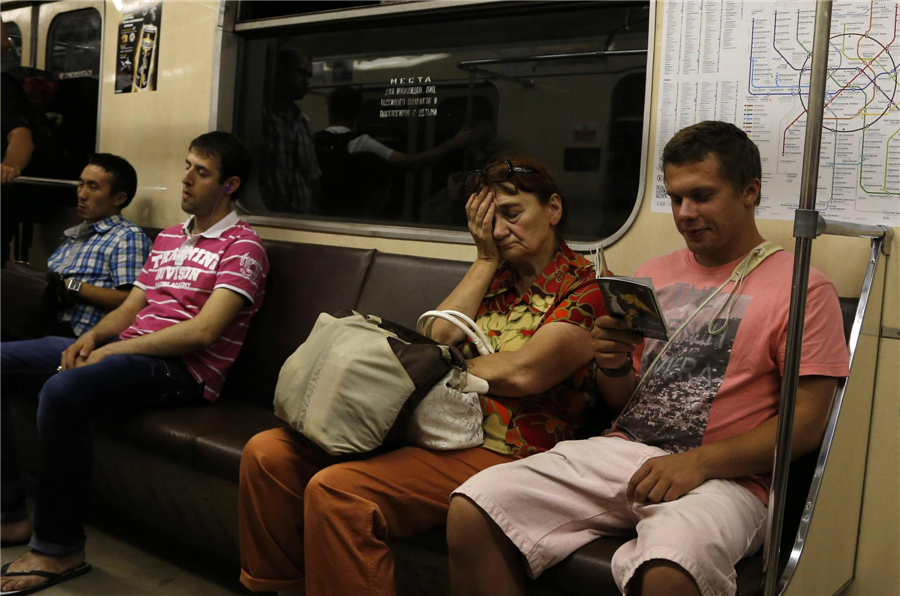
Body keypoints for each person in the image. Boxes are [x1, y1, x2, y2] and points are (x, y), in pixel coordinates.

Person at [446, 121, 850, 596]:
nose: (685, 213)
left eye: (701, 196)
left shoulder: (802, 288)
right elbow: (624, 399)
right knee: (475, 507)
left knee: (670, 568)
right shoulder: (651, 275)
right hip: (627, 448)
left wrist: (699, 463)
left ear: (749, 191)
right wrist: (613, 365)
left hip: (728, 476)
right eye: (676, 198)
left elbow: (806, 423)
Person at [239, 153, 609, 596]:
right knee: (267, 454)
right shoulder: (496, 275)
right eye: (489, 220)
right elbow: (437, 332)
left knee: (340, 491)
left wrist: (433, 369)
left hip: (507, 445)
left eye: (512, 214)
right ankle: (279, 587)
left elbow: (524, 372)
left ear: (552, 209)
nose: (501, 229)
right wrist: (485, 260)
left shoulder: (588, 288)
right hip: (433, 425)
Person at [0, 131, 269, 594]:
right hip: (132, 348)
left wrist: (113, 350)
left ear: (230, 185)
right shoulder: (167, 238)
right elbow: (130, 309)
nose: (185, 179)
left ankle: (59, 548)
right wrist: (91, 340)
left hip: (183, 369)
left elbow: (204, 331)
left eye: (200, 172)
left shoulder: (243, 249)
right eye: (187, 165)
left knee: (61, 393)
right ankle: (8, 514)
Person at [314, 86, 473, 218]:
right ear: (357, 113)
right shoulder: (360, 142)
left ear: (330, 111)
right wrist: (452, 144)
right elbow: (412, 162)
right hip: (350, 214)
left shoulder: (313, 141)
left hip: (318, 214)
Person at [44, 153, 150, 338]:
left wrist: (74, 286)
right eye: (81, 184)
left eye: (93, 187)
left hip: (79, 336)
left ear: (118, 198)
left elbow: (131, 301)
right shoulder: (76, 233)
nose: (82, 194)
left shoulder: (127, 237)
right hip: (46, 324)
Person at [259, 49, 321, 214]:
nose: (305, 81)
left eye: (309, 76)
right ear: (279, 72)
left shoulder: (304, 123)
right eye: (300, 73)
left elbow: (312, 177)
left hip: (302, 217)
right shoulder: (261, 119)